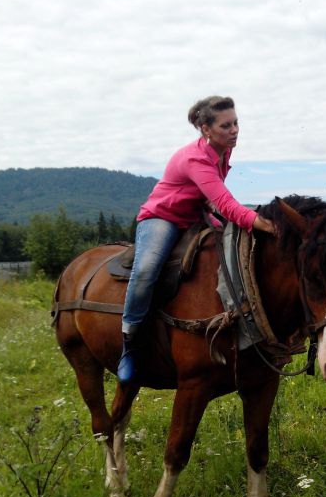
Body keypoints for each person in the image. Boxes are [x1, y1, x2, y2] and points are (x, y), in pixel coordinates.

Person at [118, 95, 275, 384]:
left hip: (194, 216)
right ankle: (129, 341)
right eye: (226, 125)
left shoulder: (223, 151)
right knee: (146, 269)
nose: (234, 130)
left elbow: (213, 200)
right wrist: (264, 223)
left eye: (236, 123)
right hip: (163, 218)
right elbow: (226, 203)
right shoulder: (195, 158)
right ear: (206, 129)